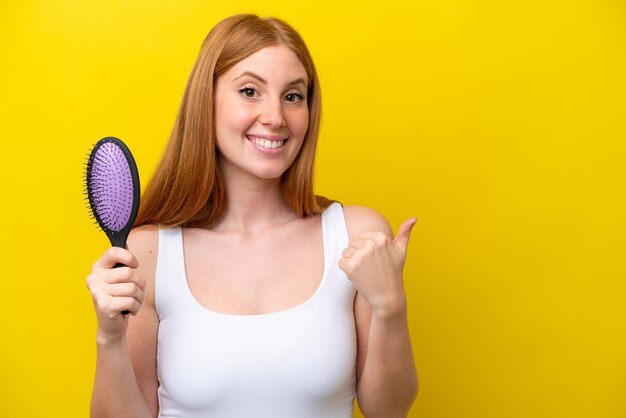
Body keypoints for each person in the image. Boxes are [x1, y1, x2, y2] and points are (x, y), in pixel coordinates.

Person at [86, 13, 418, 418]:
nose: (276, 116)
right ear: (205, 102)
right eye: (249, 91)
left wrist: (390, 306)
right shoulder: (149, 253)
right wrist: (109, 338)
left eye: (293, 96)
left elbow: (390, 411)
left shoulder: (357, 236)